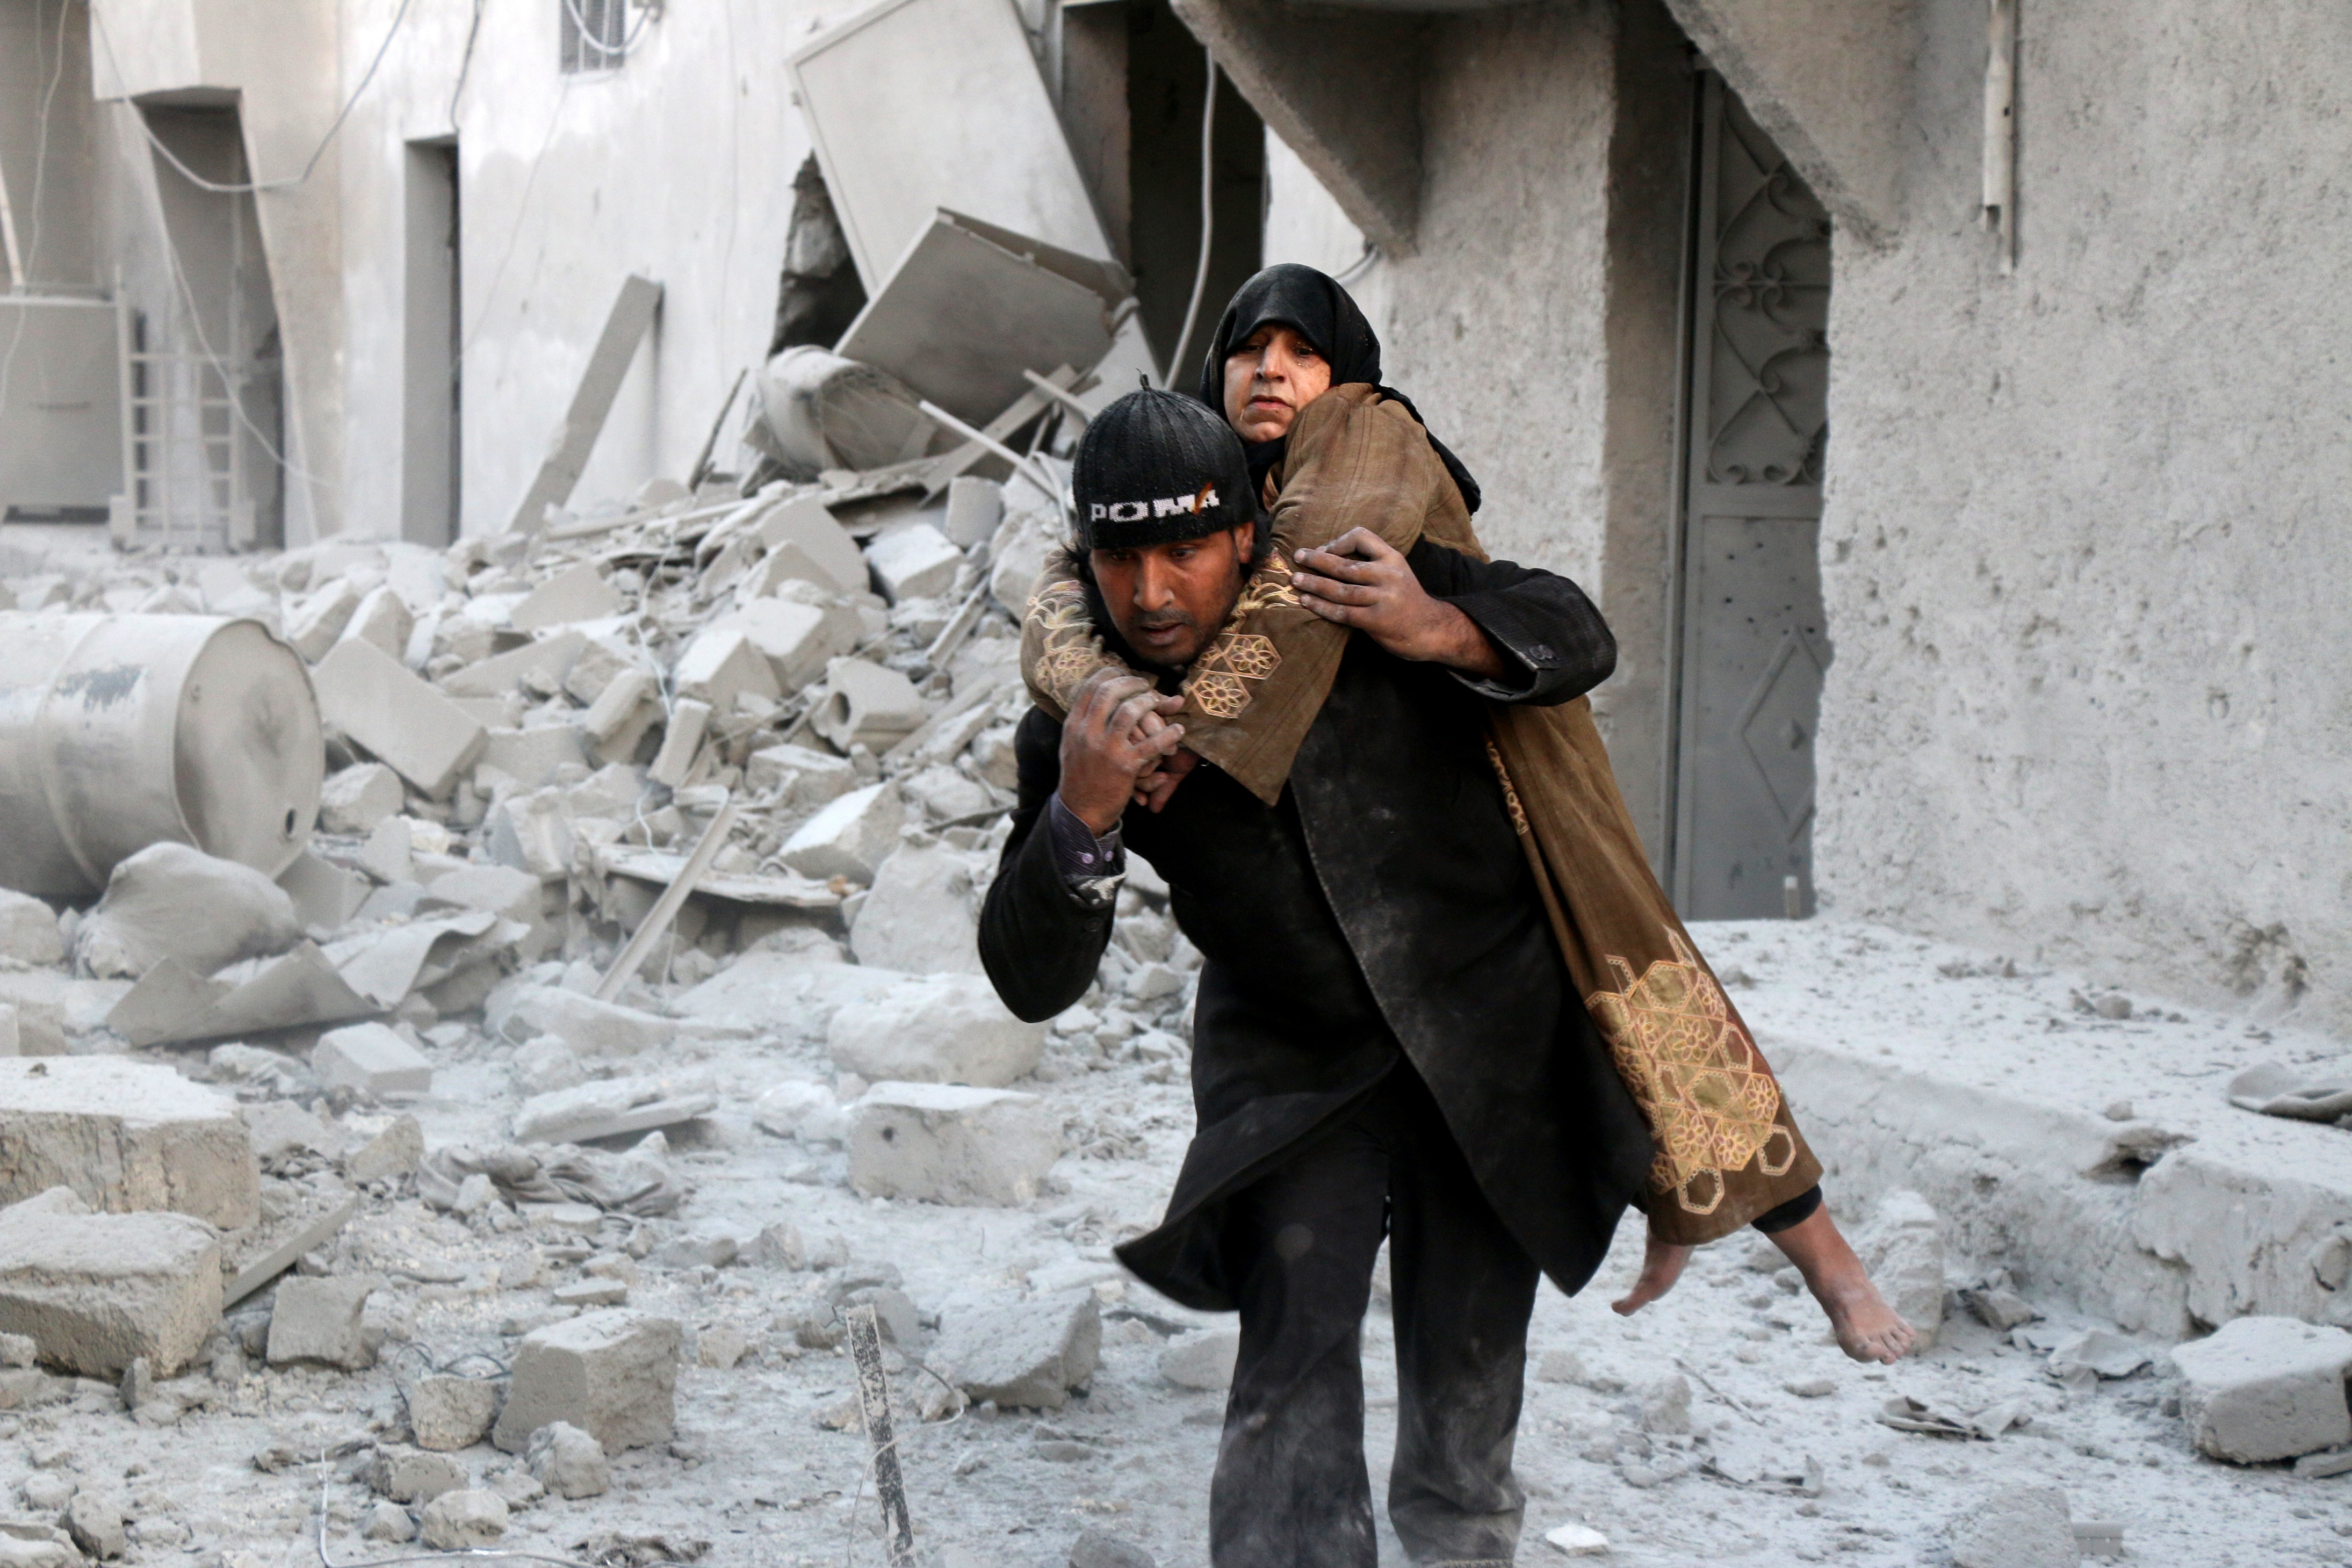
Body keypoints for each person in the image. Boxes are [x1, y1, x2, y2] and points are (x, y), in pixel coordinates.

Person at [979, 267, 1909, 1568]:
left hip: (1482, 1036)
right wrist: (1081, 815)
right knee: (1291, 1346)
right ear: (1083, 563)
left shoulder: (1354, 583)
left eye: (1183, 549)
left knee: (1467, 1381)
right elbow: (1027, 976)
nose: (1150, 592)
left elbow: (1570, 627)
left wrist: (1443, 628)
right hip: (1292, 1059)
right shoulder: (1087, 714)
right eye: (1118, 559)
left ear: (1247, 536)